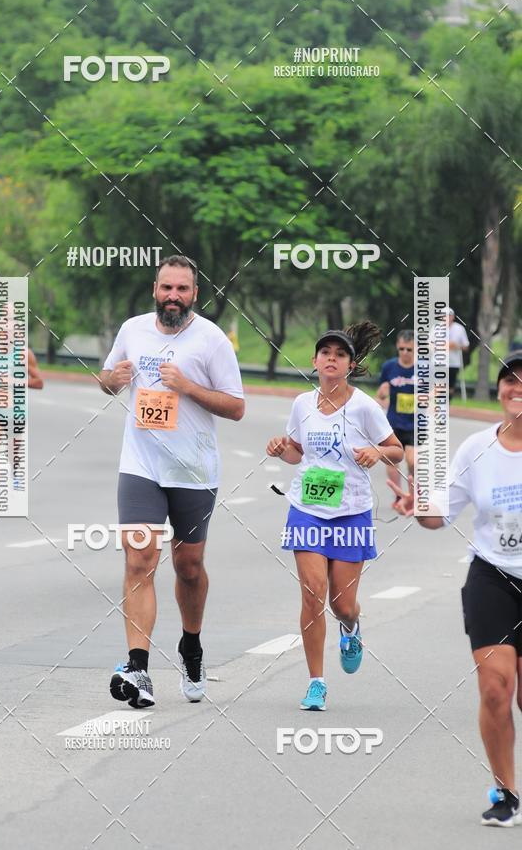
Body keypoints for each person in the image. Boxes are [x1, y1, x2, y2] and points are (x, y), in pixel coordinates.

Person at [100, 255, 244, 708]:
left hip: (194, 472)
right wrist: (111, 380)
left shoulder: (212, 340)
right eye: (166, 288)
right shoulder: (133, 329)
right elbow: (107, 378)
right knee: (140, 560)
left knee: (189, 568)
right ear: (154, 289)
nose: (173, 297)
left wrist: (188, 387)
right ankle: (138, 668)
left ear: (195, 295)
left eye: (182, 290)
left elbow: (236, 407)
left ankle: (191, 646)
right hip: (141, 466)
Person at [390, 350, 522, 827]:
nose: (516, 388)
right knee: (495, 688)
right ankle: (506, 793)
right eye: (509, 380)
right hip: (492, 575)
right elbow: (440, 514)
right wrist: (417, 501)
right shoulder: (476, 449)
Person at [266, 324, 404, 711]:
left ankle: (351, 626)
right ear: (314, 362)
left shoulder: (364, 407)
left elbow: (396, 450)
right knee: (313, 596)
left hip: (351, 512)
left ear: (350, 364)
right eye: (324, 352)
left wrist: (378, 454)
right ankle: (316, 683)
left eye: (339, 354)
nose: (331, 358)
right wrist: (281, 449)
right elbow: (296, 451)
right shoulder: (301, 404)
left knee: (342, 604)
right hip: (308, 508)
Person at [0, 320, 43, 513]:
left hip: (16, 411)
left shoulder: (24, 354)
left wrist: (14, 380)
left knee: (15, 455)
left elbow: (39, 382)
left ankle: (14, 484)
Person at [376, 330, 416, 508]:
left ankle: (413, 495)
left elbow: (438, 391)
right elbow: (381, 394)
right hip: (393, 421)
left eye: (409, 349)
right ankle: (399, 496)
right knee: (392, 459)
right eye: (402, 349)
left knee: (413, 461)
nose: (405, 353)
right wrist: (383, 392)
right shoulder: (389, 367)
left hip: (416, 423)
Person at [448, 308, 469, 399]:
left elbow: (466, 346)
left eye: (449, 316)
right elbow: (429, 344)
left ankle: (447, 404)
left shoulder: (459, 329)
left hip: (453, 362)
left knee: (450, 386)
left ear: (452, 317)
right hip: (438, 362)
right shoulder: (435, 328)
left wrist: (456, 346)